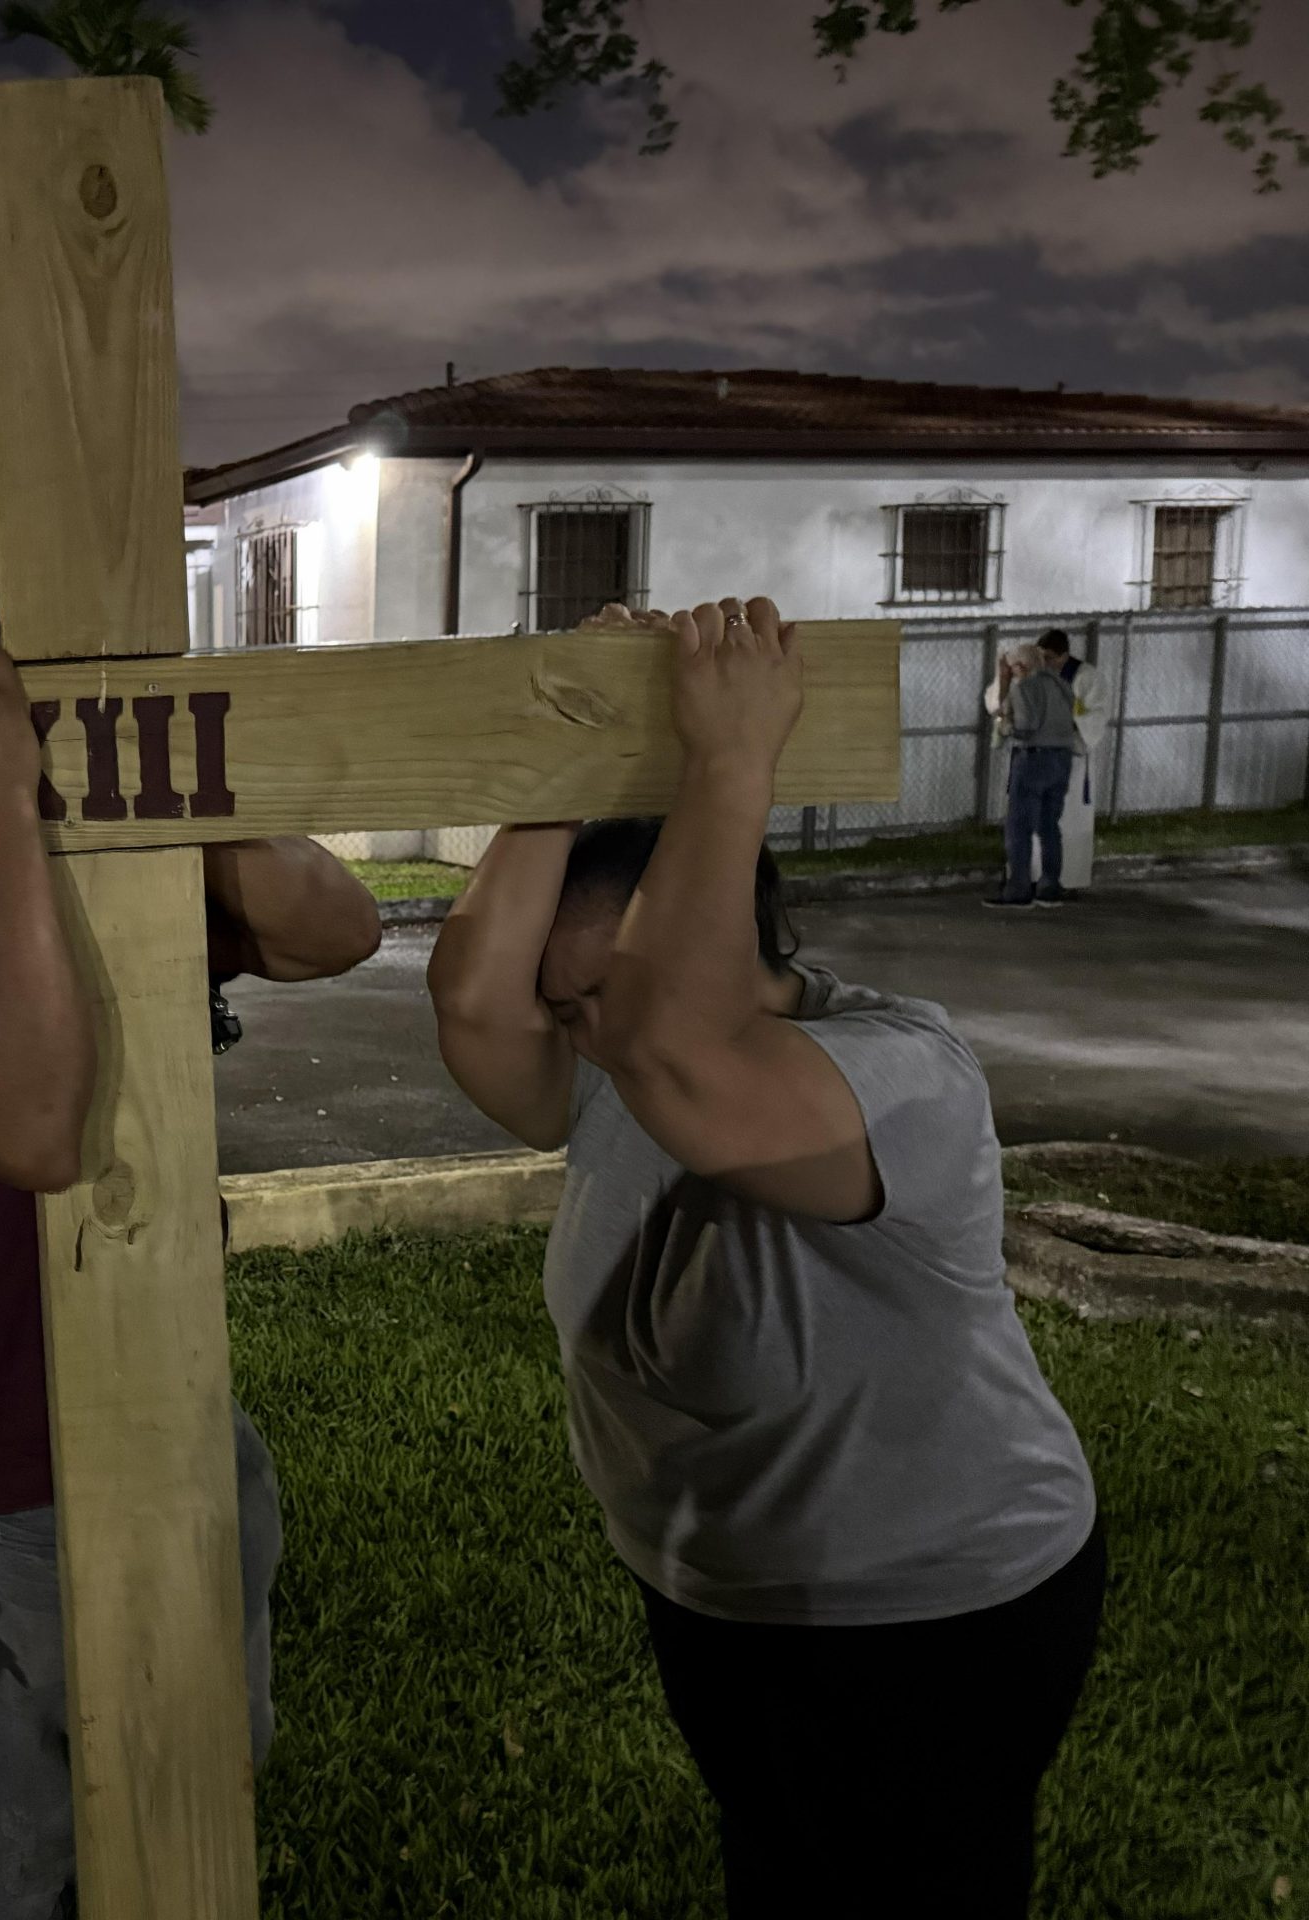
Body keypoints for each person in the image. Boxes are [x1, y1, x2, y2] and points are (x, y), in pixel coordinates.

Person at [429, 596, 1104, 1919]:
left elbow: (679, 1046)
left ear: (724, 937)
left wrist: (732, 755)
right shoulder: (618, 1065)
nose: (572, 1030)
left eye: (594, 998)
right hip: (723, 1597)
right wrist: (568, 756)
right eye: (565, 1006)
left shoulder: (901, 1075)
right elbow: (471, 999)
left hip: (934, 1615)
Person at [0, 533, 380, 1920]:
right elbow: (28, 1134)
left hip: (175, 1400)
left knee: (198, 1784)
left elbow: (334, 928)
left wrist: (160, 759)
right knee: (8, 1857)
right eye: (70, 661)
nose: (107, 688)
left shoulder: (108, 828)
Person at [984, 629, 1107, 897]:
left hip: (1040, 757)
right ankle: (1050, 885)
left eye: (1050, 657)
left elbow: (1021, 723)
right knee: (1050, 826)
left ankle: (1020, 887)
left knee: (1022, 826)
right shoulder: (1060, 685)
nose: (1046, 662)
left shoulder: (1036, 684)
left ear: (1064, 656)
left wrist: (1006, 727)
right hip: (1062, 758)